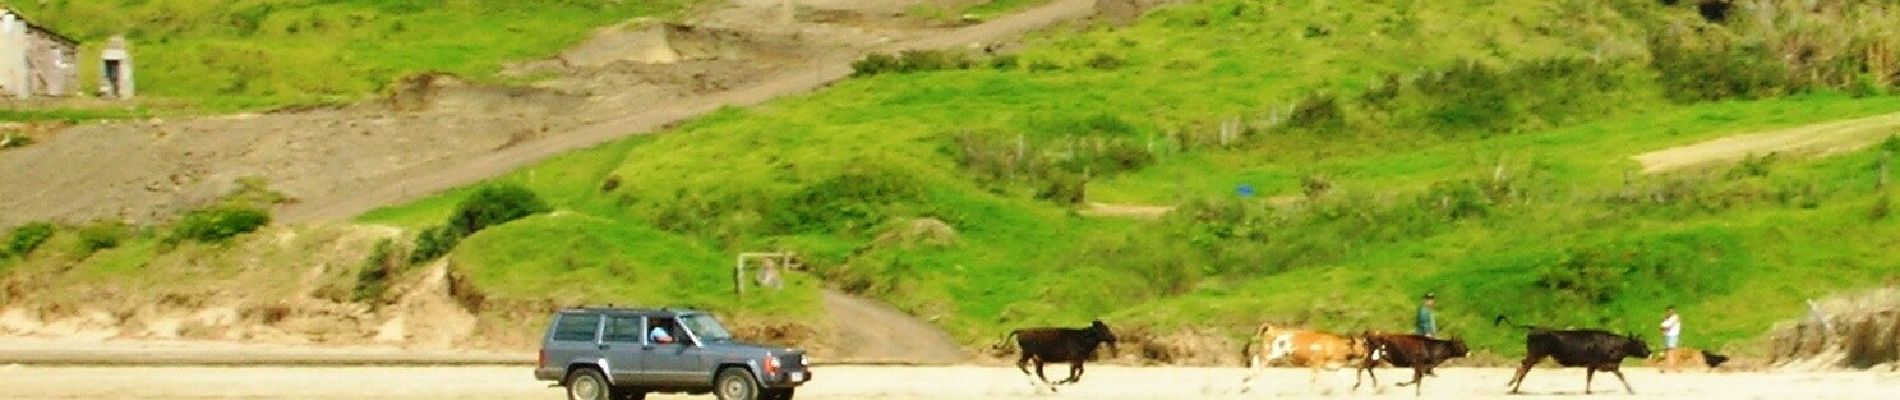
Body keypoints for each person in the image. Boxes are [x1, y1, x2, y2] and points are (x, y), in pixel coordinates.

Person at [1660, 305, 1682, 373]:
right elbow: (1661, 326)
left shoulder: (1676, 317)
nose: (1670, 312)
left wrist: (1664, 328)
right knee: (1667, 351)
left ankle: (1672, 367)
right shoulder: (1666, 318)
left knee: (1671, 351)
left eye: (1671, 310)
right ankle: (1668, 367)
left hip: (1673, 335)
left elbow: (1668, 326)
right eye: (1669, 311)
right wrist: (1663, 328)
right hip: (1667, 336)